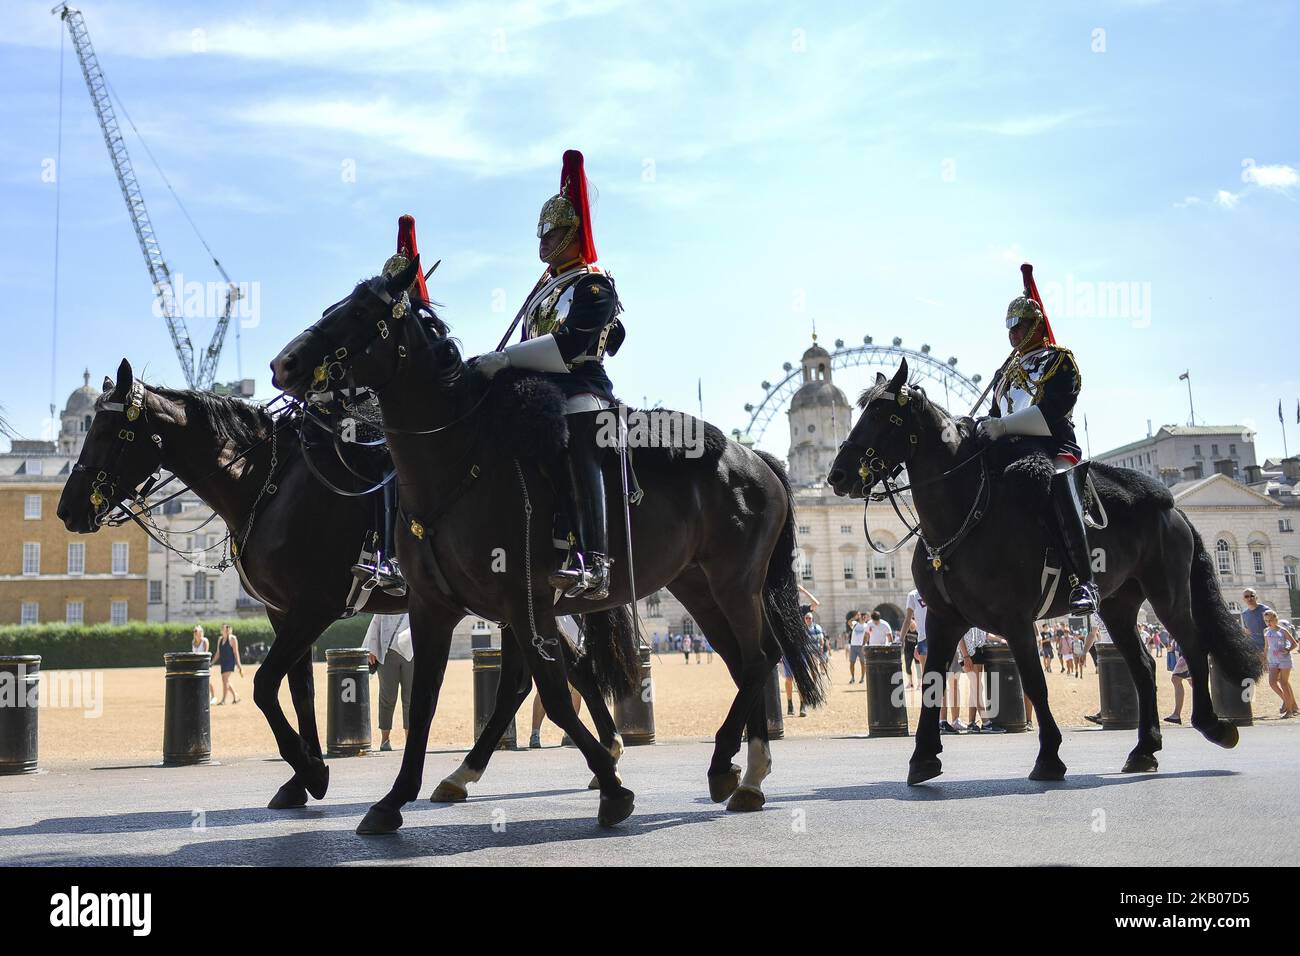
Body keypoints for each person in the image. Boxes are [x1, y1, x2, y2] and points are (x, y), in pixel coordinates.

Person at [474, 150, 625, 601]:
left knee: (577, 433)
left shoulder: (594, 285)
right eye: (542, 231)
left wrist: (502, 361)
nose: (545, 239)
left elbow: (572, 347)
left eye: (555, 231)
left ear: (575, 233)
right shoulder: (544, 290)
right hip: (538, 392)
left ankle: (593, 560)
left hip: (582, 388)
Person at [976, 264, 1098, 614]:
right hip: (1011, 452)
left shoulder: (1059, 361)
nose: (1014, 333)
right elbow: (996, 419)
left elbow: (1053, 411)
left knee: (1058, 485)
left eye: (1020, 325)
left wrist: (1001, 427)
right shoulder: (1006, 374)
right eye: (1009, 327)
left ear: (1036, 325)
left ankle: (1083, 582)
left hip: (1053, 445)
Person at [349, 215, 434, 597]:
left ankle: (392, 554)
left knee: (388, 458)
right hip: (390, 414)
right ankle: (368, 544)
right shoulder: (380, 334)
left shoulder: (425, 329)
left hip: (426, 422)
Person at [530, 616, 585, 748]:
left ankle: (569, 733)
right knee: (544, 689)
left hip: (575, 647)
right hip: (552, 647)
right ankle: (535, 733)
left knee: (576, 690)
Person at [365, 612, 413, 751]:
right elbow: (375, 625)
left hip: (411, 653)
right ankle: (385, 739)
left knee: (410, 698)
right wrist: (371, 650)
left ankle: (409, 739)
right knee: (387, 698)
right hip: (387, 653)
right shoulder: (387, 600)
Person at [1263, 611, 1298, 717]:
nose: (1268, 622)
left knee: (1284, 683)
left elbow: (1294, 644)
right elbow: (1266, 647)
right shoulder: (1266, 631)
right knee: (1272, 682)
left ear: (1276, 619)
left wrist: (1287, 650)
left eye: (1271, 620)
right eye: (1266, 620)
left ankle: (1290, 711)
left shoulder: (1283, 631)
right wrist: (1265, 661)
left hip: (1284, 660)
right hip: (1272, 660)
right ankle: (1289, 703)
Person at [1240, 588, 1272, 666]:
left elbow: (1273, 628)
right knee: (1259, 673)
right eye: (1246, 596)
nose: (1249, 598)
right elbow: (1247, 631)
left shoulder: (1266, 610)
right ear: (1243, 599)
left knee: (1273, 673)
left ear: (1256, 597)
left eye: (1252, 595)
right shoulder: (1244, 613)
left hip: (1269, 647)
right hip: (1254, 649)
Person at [212, 623, 242, 705]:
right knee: (225, 680)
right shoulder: (220, 639)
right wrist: (212, 662)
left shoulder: (233, 639)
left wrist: (239, 664)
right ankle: (235, 696)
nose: (222, 630)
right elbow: (218, 653)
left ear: (227, 630)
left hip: (230, 662)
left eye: (223, 628)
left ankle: (223, 700)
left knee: (225, 680)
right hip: (223, 662)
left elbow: (236, 652)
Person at [1165, 642, 1191, 724]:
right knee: (1194, 683)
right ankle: (1205, 712)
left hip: (1187, 652)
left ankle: (1176, 714)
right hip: (1184, 651)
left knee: (1176, 679)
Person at [191, 625, 214, 702]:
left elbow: (205, 653)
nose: (196, 633)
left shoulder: (205, 641)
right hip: (196, 665)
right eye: (195, 632)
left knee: (208, 681)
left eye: (198, 632)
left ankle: (213, 697)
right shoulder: (193, 642)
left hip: (204, 664)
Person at [847, 611, 867, 684]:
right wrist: (854, 618)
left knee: (863, 663)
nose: (864, 618)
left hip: (861, 646)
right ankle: (852, 678)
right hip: (853, 646)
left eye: (865, 617)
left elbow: (866, 636)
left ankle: (862, 678)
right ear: (860, 617)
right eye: (863, 616)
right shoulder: (855, 624)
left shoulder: (866, 626)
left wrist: (864, 645)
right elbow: (849, 622)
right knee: (852, 663)